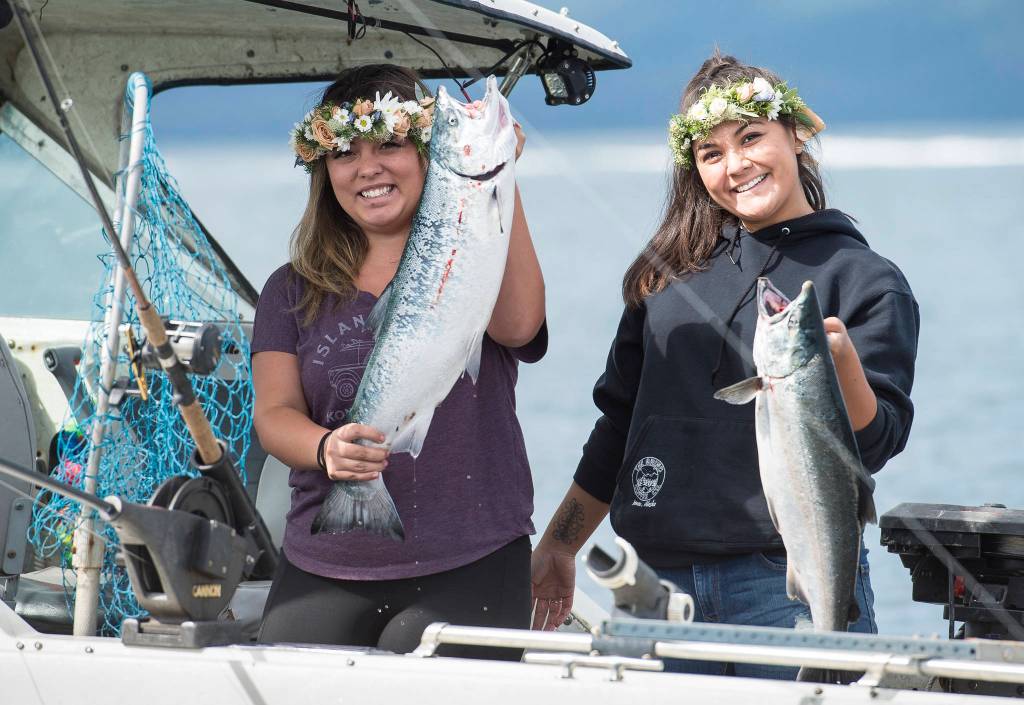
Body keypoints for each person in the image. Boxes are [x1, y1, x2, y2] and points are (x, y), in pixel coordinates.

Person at [530, 51, 919, 679]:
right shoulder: (665, 272)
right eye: (710, 153)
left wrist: (840, 362)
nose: (735, 165)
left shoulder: (866, 280)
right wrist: (559, 543)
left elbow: (874, 445)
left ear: (797, 134)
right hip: (654, 585)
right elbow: (618, 428)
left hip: (789, 581)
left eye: (751, 137)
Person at [251, 64, 546, 658]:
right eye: (345, 153)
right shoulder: (289, 289)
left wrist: (497, 179)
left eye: (390, 145)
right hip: (326, 555)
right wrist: (324, 448)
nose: (368, 168)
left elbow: (518, 327)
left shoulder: (476, 247)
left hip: (475, 554)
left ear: (428, 154)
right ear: (322, 170)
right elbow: (275, 412)